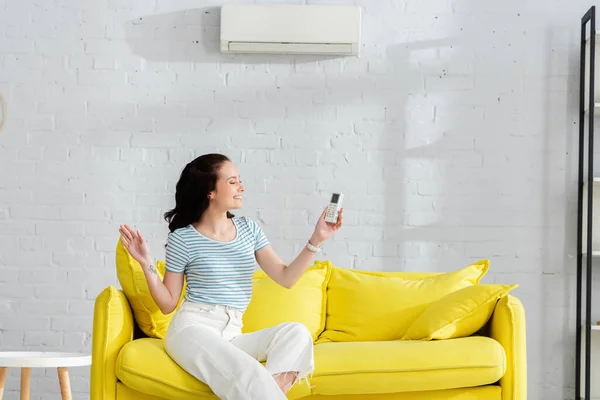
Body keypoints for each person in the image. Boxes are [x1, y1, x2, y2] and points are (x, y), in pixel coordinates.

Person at [118, 153, 344, 400]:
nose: (242, 187)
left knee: (297, 334)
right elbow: (167, 303)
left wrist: (317, 238)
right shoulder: (183, 238)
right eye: (233, 181)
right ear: (210, 191)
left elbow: (285, 278)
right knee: (249, 372)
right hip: (193, 329)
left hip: (232, 333)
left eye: (239, 181)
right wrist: (146, 262)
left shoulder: (249, 229)